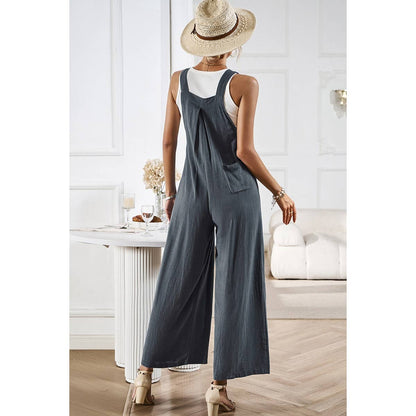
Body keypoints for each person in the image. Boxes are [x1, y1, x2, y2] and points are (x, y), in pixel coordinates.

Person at [131, 0, 296, 414]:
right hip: (236, 194)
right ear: (233, 42)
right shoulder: (244, 84)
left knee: (177, 279)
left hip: (192, 192)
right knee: (235, 284)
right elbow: (244, 151)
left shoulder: (178, 80)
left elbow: (168, 142)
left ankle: (144, 376)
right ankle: (216, 388)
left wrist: (172, 194)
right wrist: (279, 192)